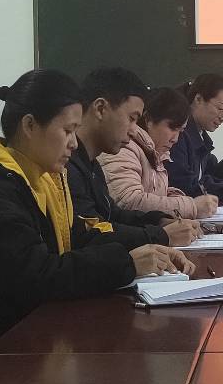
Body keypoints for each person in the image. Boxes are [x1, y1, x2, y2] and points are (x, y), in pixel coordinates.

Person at [0, 69, 195, 384]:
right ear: (30, 126)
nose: (74, 143)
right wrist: (126, 263)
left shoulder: (36, 181)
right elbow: (38, 275)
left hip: (13, 339)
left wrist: (148, 249)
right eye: (67, 130)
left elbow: (78, 236)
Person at [67, 67, 200, 248]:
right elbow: (91, 233)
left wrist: (159, 221)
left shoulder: (91, 164)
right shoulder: (68, 167)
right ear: (100, 109)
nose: (134, 130)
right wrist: (159, 235)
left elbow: (112, 215)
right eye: (132, 118)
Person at [101, 87, 219, 219]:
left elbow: (158, 193)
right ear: (149, 120)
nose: (175, 139)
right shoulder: (122, 148)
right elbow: (129, 201)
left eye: (180, 131)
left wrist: (178, 198)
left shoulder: (157, 153)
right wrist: (192, 206)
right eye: (172, 128)